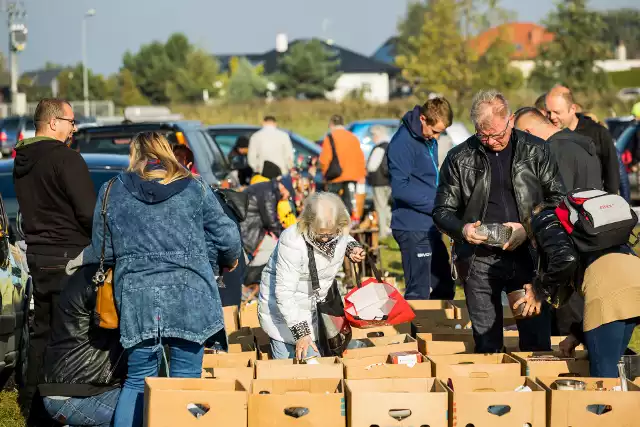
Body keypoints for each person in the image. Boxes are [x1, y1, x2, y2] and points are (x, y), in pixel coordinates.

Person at [70, 132, 242, 426]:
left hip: (137, 296)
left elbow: (102, 249)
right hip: (190, 293)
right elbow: (228, 238)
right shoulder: (194, 188)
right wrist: (227, 260)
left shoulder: (112, 190)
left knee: (137, 380)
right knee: (186, 382)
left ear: (134, 155)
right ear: (167, 153)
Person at [433, 90, 565, 353]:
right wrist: (464, 229)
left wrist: (526, 230)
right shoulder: (459, 158)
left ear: (511, 120)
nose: (492, 141)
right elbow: (441, 211)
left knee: (536, 338)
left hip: (528, 256)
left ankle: (534, 387)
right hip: (478, 258)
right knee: (486, 342)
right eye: (484, 135)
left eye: (497, 134)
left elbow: (558, 200)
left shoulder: (537, 150)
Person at [13, 98, 97, 425]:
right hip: (70, 259)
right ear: (53, 123)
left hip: (39, 257)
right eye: (71, 122)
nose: (74, 128)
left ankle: (35, 411)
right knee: (72, 340)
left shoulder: (23, 160)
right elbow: (88, 213)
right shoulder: (66, 159)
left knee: (42, 336)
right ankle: (65, 411)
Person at [527, 203, 640, 378]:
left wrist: (538, 290)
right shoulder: (582, 228)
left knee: (603, 377)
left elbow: (567, 260)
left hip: (611, 291)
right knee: (617, 364)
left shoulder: (544, 221)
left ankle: (600, 405)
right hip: (634, 274)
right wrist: (576, 335)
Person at [258, 192, 365, 360]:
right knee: (287, 365)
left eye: (332, 233)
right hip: (282, 310)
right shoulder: (292, 241)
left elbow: (343, 237)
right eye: (322, 233)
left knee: (315, 362)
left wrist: (351, 247)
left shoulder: (336, 231)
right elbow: (284, 293)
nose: (327, 238)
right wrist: (301, 333)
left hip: (314, 306)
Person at [39, 264, 126, 427]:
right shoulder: (105, 278)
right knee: (148, 409)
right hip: (79, 395)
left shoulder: (83, 274)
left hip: (62, 389)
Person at [387, 98, 455, 300]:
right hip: (412, 226)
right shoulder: (402, 143)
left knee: (444, 285)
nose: (436, 137)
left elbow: (427, 178)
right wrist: (437, 206)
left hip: (429, 224)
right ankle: (415, 332)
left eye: (440, 133)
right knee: (419, 292)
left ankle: (441, 330)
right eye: (435, 131)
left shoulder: (427, 139)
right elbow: (400, 188)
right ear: (423, 119)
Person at [546, 86, 619, 193]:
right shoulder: (546, 135)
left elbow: (612, 173)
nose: (552, 117)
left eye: (557, 112)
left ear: (572, 109)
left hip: (593, 202)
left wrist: (609, 202)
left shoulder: (598, 133)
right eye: (549, 112)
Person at [514, 107, 602, 191]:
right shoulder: (577, 142)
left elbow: (559, 197)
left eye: (520, 139)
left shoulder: (553, 151)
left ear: (527, 133)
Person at [241, 177, 291, 286]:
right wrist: (288, 237)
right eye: (289, 194)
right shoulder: (269, 193)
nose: (287, 198)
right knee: (274, 247)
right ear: (284, 187)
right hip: (247, 230)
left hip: (247, 226)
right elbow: (271, 222)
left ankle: (249, 275)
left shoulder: (268, 188)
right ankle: (249, 276)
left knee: (271, 246)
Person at [319, 115, 366, 216]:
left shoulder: (330, 138)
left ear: (331, 124)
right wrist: (361, 175)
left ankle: (334, 228)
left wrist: (324, 175)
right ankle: (347, 227)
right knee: (348, 205)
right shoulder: (353, 137)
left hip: (335, 177)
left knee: (333, 205)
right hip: (352, 176)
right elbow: (360, 158)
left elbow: (324, 159)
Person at [366, 125, 392, 239]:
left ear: (378, 135)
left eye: (373, 135)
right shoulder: (391, 146)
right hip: (389, 181)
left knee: (380, 207)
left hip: (379, 182)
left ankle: (383, 234)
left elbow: (372, 166)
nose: (372, 138)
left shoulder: (379, 148)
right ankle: (391, 229)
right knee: (388, 207)